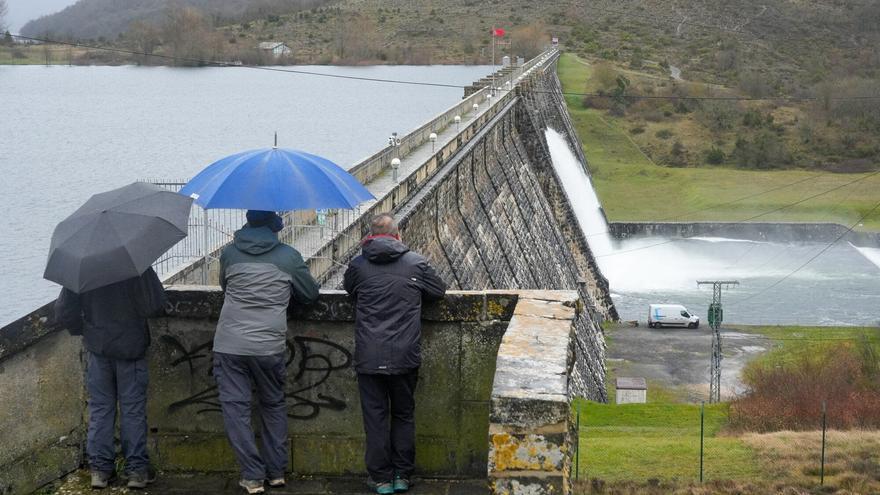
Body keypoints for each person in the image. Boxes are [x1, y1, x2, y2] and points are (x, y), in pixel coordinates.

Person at [213, 210, 319, 495]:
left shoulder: (229, 254)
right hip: (268, 346)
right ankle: (275, 472)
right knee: (272, 405)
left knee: (236, 410)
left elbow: (225, 287)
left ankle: (251, 476)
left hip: (230, 344)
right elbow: (310, 294)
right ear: (276, 226)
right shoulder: (289, 256)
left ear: (246, 223)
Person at [343, 213, 447, 494]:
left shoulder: (358, 265)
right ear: (398, 236)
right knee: (403, 414)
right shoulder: (416, 263)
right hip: (404, 356)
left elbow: (349, 289)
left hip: (369, 357)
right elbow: (438, 291)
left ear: (369, 237)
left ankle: (380, 479)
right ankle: (402, 475)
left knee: (375, 418)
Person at [54, 268, 167, 490]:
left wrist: (85, 330)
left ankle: (100, 471)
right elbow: (155, 304)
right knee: (132, 410)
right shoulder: (135, 266)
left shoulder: (83, 267)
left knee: (100, 410)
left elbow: (64, 311)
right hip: (131, 346)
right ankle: (136, 471)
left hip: (98, 348)